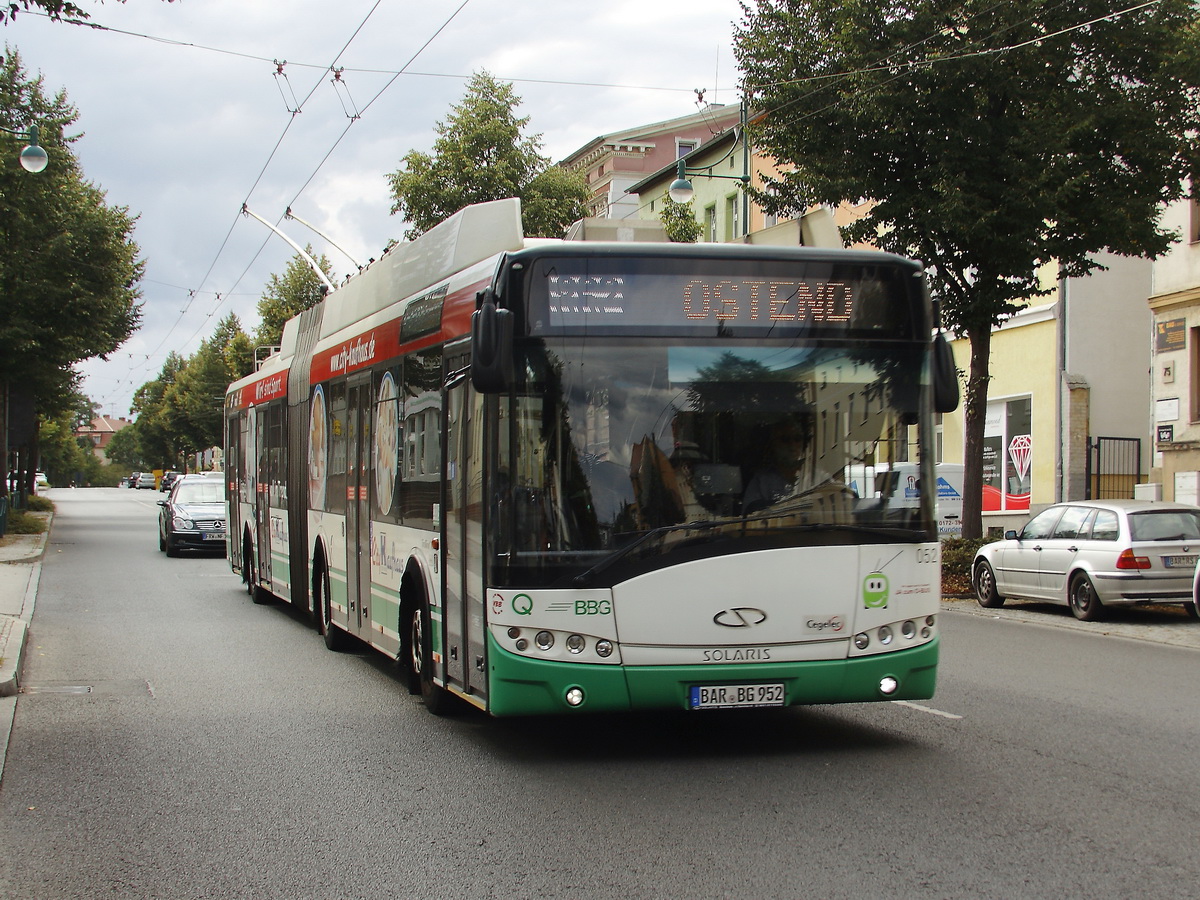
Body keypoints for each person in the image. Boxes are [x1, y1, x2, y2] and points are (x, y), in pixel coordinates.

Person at [742, 421, 807, 514]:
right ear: (774, 444)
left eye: (797, 439)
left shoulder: (818, 477)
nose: (792, 445)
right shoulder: (761, 481)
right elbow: (750, 515)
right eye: (785, 439)